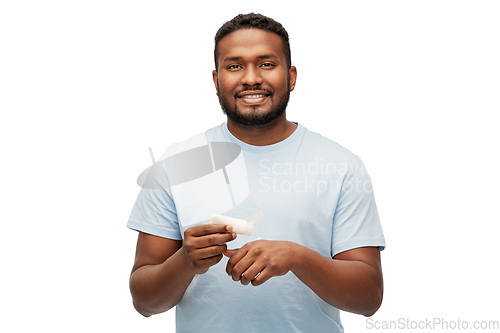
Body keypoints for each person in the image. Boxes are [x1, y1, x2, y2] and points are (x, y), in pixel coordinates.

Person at [127, 13, 386, 332]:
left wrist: (297, 257)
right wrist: (184, 262)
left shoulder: (340, 165)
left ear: (291, 77)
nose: (251, 78)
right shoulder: (177, 164)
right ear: (216, 79)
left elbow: (369, 297)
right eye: (235, 66)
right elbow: (144, 302)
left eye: (266, 64)